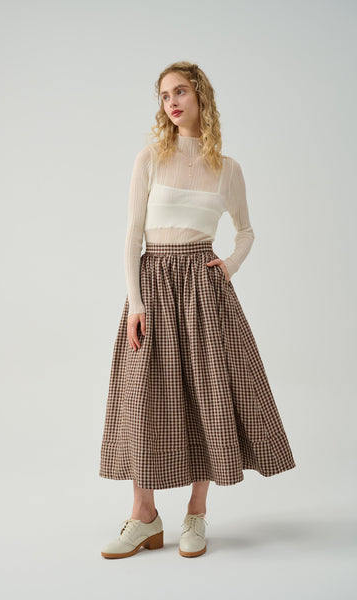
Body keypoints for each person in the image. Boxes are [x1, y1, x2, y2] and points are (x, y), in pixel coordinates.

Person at [99, 61, 296, 559]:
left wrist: (229, 265)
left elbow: (246, 231)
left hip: (204, 292)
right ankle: (144, 515)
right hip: (153, 285)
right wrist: (136, 303)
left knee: (208, 395)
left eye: (180, 91)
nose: (171, 102)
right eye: (165, 95)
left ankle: (196, 512)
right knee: (144, 398)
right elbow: (132, 235)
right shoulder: (150, 158)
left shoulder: (228, 169)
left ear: (201, 96)